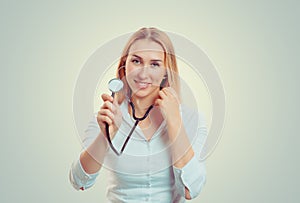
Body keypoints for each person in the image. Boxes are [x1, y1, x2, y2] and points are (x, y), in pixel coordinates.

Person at [69, 27, 207, 202]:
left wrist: (174, 123)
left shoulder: (191, 119)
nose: (143, 73)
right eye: (136, 61)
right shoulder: (107, 116)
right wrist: (105, 137)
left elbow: (190, 190)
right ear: (124, 66)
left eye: (155, 64)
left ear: (166, 71)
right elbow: (79, 181)